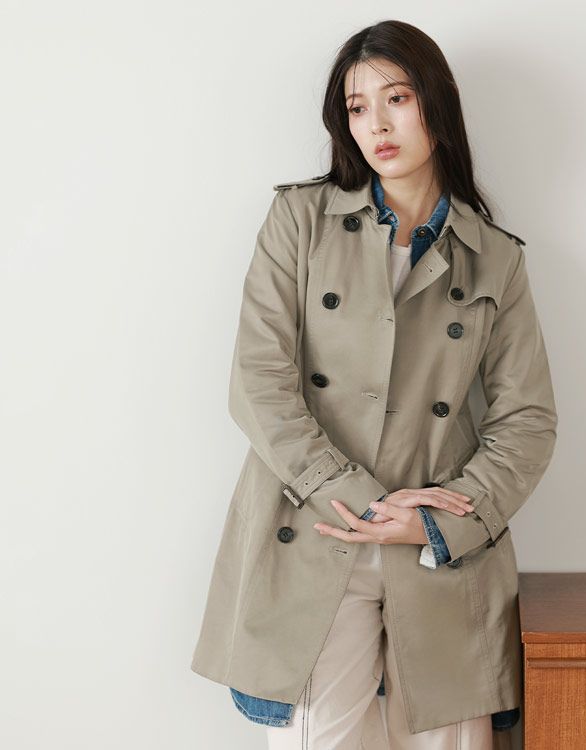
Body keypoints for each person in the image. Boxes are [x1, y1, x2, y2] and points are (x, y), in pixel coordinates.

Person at [190, 19, 558, 750]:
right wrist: (359, 499)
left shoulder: (495, 257)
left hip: (437, 553)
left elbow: (528, 420)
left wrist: (437, 524)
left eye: (397, 98)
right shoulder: (301, 220)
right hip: (316, 531)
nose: (377, 125)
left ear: (437, 104)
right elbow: (259, 383)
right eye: (358, 107)